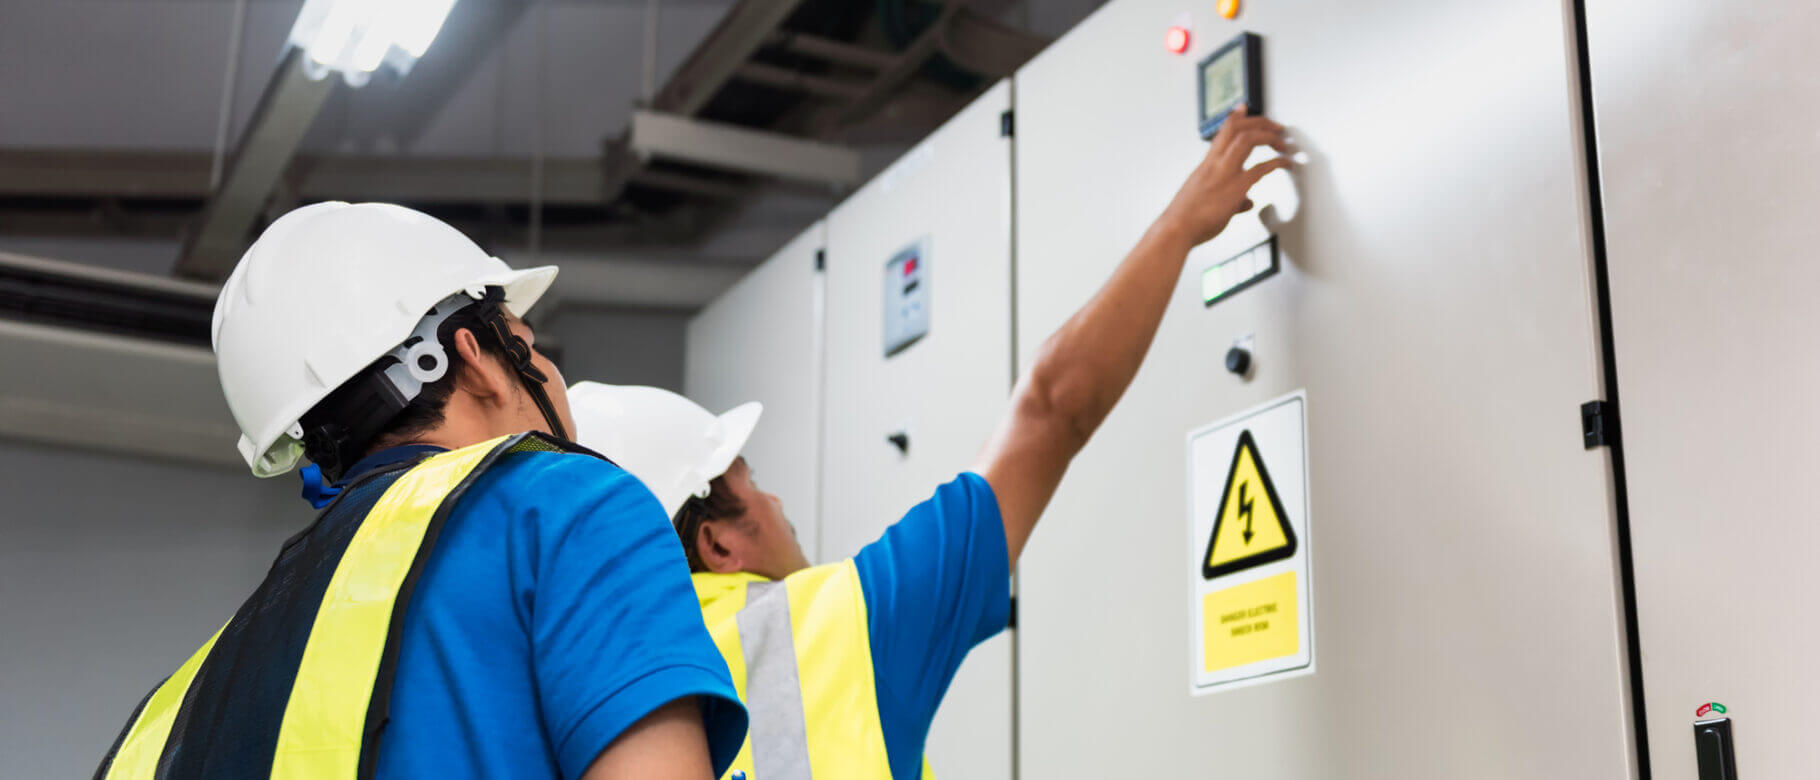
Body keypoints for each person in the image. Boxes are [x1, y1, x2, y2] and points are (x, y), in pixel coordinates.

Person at [566, 107, 1292, 779]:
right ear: (720, 546)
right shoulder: (830, 630)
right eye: (751, 480)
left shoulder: (575, 697)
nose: (778, 499)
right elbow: (1051, 410)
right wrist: (1181, 224)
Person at [95, 202, 746, 780]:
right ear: (475, 355)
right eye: (528, 345)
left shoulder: (173, 709)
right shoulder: (564, 507)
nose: (552, 376)